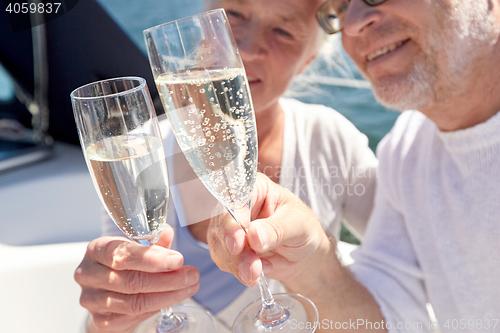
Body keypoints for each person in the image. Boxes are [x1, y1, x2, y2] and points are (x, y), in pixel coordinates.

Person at [74, 0, 378, 332]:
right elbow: (117, 310)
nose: (246, 49)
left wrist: (320, 262)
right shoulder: (139, 154)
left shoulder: (329, 139)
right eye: (234, 15)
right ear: (201, 27)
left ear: (308, 61)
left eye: (283, 31)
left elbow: (405, 265)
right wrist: (105, 320)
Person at [208, 0, 500, 331]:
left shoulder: (342, 138)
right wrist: (309, 259)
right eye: (341, 7)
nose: (352, 25)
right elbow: (390, 319)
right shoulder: (405, 152)